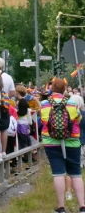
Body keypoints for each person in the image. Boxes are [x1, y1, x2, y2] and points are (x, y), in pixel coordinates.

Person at [41, 77, 85, 213]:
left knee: (58, 173)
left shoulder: (44, 103)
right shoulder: (72, 103)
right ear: (64, 89)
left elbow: (43, 120)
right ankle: (82, 206)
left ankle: (61, 207)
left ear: (51, 88)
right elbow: (79, 119)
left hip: (51, 141)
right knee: (76, 173)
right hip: (72, 142)